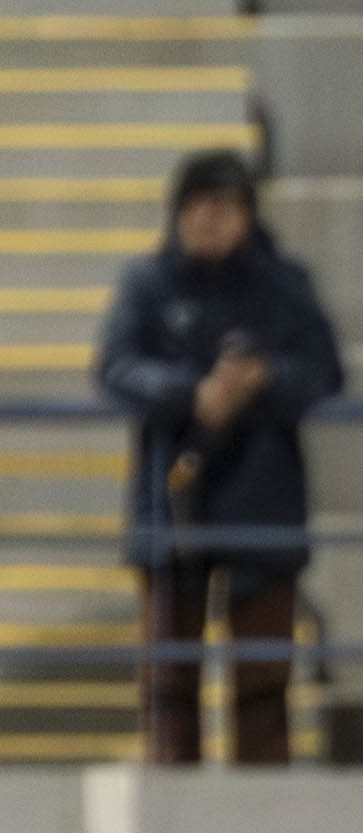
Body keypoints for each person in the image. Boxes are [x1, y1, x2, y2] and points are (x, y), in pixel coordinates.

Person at [95, 149, 342, 766]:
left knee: (263, 686)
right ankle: (168, 806)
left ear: (248, 215)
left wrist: (262, 379)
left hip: (264, 500)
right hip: (171, 504)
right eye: (195, 206)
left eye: (223, 206)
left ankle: (263, 811)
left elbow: (325, 371)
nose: (208, 219)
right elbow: (116, 369)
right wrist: (191, 394)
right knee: (168, 689)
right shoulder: (146, 284)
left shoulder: (285, 284)